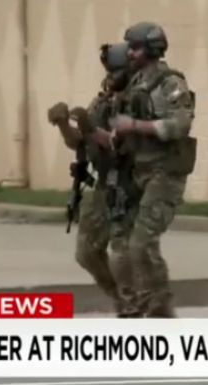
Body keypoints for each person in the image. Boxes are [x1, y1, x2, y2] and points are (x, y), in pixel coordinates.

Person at [108, 21, 197, 317]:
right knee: (126, 245)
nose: (129, 53)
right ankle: (148, 306)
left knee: (141, 243)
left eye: (135, 48)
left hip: (165, 173)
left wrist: (135, 126)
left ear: (151, 49)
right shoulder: (134, 82)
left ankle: (159, 307)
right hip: (138, 172)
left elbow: (180, 125)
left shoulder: (171, 83)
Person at [47, 42, 138, 317]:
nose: (110, 77)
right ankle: (122, 298)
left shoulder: (140, 102)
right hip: (104, 184)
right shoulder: (103, 101)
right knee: (86, 252)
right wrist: (64, 124)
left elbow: (120, 145)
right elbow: (79, 142)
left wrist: (89, 128)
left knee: (122, 253)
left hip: (132, 184)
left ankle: (135, 305)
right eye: (108, 72)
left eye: (116, 71)